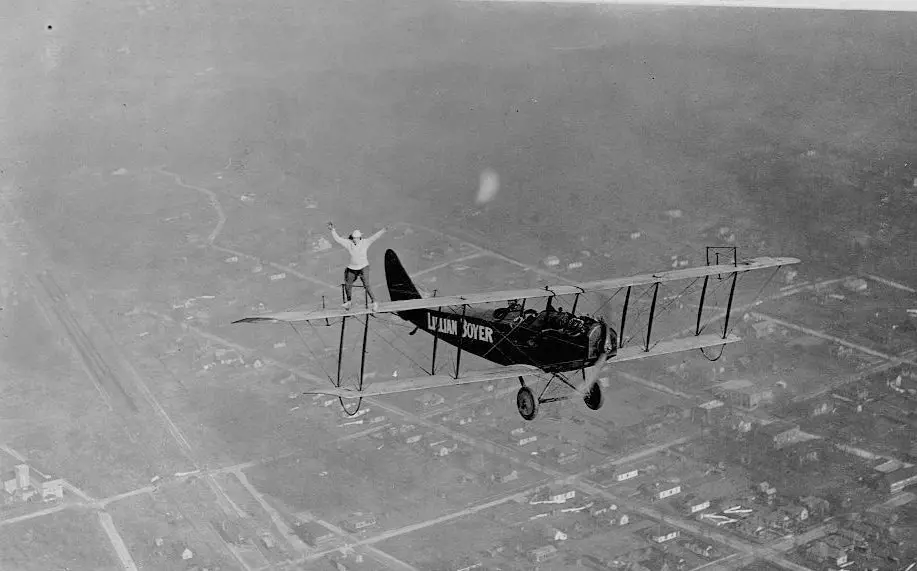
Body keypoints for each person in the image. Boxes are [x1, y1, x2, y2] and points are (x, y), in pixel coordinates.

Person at [327, 221, 387, 311]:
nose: (355, 239)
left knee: (366, 285)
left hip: (363, 267)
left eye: (357, 238)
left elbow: (374, 237)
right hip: (352, 268)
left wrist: (383, 230)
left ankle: (375, 302)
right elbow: (338, 239)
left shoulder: (365, 242)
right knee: (348, 284)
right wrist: (332, 230)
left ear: (360, 237)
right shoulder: (349, 243)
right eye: (354, 238)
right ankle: (349, 302)